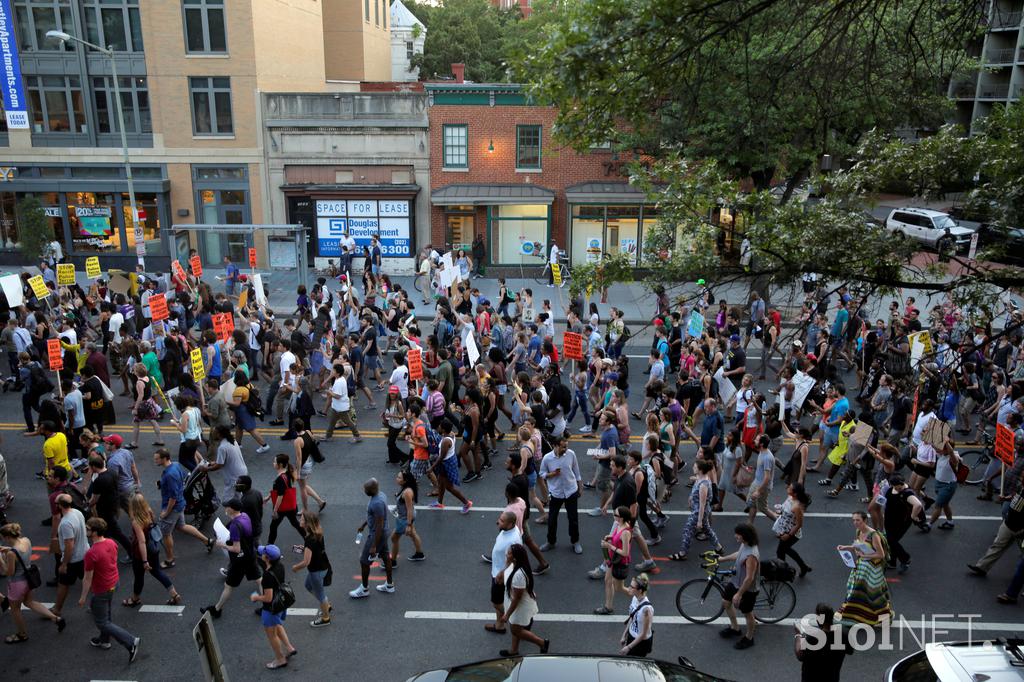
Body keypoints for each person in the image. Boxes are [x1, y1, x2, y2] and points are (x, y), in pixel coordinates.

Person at [78, 518, 140, 661]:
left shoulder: (91, 553)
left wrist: (82, 597)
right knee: (106, 613)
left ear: (94, 532)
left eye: (88, 529)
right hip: (114, 583)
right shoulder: (112, 543)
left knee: (101, 622)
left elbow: (87, 578)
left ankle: (131, 642)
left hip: (102, 589)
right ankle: (104, 640)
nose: (86, 531)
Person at [0, 522, 66, 643]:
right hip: (29, 580)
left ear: (8, 537)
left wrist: (0, 560)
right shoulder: (26, 540)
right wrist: (9, 549)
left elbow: (8, 572)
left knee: (15, 609)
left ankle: (22, 634)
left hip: (17, 584)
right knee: (30, 602)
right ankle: (56, 618)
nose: (3, 540)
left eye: (3, 538)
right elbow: (19, 551)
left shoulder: (11, 554)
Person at [201, 499, 262, 619]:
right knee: (259, 580)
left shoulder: (235, 526)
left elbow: (236, 549)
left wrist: (221, 544)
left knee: (228, 586)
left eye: (227, 506)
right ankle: (268, 606)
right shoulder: (245, 516)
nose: (225, 508)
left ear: (232, 509)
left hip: (239, 561)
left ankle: (217, 609)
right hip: (250, 555)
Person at [154, 448, 214, 568]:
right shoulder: (175, 465)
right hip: (181, 503)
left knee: (166, 534)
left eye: (157, 459)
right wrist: (163, 484)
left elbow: (172, 498)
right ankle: (208, 541)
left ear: (164, 458)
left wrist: (166, 513)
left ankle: (170, 560)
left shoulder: (170, 475)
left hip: (173, 507)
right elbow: (180, 481)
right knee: (182, 526)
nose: (155, 460)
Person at [123, 493, 181, 607]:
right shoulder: (148, 512)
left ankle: (135, 599)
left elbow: (141, 542)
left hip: (141, 553)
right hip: (153, 548)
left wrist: (144, 561)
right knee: (157, 572)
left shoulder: (136, 521)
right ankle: (174, 594)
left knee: (139, 577)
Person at [837, 511, 893, 627]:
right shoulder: (858, 531)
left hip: (872, 570)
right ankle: (853, 616)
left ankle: (881, 617)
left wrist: (865, 556)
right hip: (861, 567)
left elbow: (881, 555)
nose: (855, 523)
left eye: (858, 520)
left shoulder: (874, 535)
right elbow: (858, 546)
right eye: (854, 520)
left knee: (873, 595)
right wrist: (846, 547)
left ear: (865, 520)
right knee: (854, 590)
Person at [251, 544, 297, 669]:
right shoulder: (280, 566)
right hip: (281, 604)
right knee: (278, 625)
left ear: (267, 558)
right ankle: (289, 647)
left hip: (271, 609)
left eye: (263, 554)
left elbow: (268, 598)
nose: (261, 555)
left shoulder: (267, 576)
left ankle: (280, 659)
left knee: (272, 635)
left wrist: (256, 598)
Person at [498, 543, 549, 656]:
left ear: (515, 557)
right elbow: (506, 572)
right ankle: (514, 650)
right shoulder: (514, 565)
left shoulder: (518, 575)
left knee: (515, 630)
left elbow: (517, 598)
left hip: (520, 607)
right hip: (517, 603)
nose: (507, 554)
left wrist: (507, 614)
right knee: (515, 626)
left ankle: (541, 643)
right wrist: (502, 571)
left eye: (509, 553)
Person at [668, 459, 722, 561]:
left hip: (698, 512)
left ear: (700, 470)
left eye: (695, 467)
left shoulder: (703, 485)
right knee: (707, 529)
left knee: (687, 530)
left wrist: (699, 521)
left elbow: (702, 505)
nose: (693, 468)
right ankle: (719, 547)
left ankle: (683, 553)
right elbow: (697, 482)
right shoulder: (701, 478)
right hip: (698, 509)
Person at [718, 523, 760, 650]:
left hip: (747, 588)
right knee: (726, 602)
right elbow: (738, 554)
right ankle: (735, 628)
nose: (735, 536)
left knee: (748, 613)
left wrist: (739, 594)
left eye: (738, 534)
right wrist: (722, 559)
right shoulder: (745, 544)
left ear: (745, 536)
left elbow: (749, 578)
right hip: (735, 582)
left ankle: (749, 637)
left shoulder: (752, 555)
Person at [350, 478, 394, 598]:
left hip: (377, 534)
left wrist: (374, 545)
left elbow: (379, 524)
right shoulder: (381, 495)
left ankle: (364, 589)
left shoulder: (376, 503)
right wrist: (364, 525)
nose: (364, 490)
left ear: (372, 490)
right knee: (385, 556)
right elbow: (374, 516)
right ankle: (389, 585)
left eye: (366, 489)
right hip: (382, 532)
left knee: (364, 561)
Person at [538, 435, 583, 554]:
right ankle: (550, 542)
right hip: (556, 492)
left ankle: (575, 541)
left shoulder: (571, 454)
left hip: (571, 490)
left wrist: (580, 486)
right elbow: (542, 473)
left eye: (567, 446)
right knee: (552, 519)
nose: (566, 449)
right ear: (555, 446)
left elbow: (576, 470)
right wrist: (551, 474)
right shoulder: (547, 458)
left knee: (573, 519)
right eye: (563, 447)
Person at [293, 509, 332, 627]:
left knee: (321, 595)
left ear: (308, 523)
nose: (300, 520)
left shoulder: (310, 540)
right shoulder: (317, 533)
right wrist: (304, 549)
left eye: (303, 519)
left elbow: (306, 562)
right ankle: (326, 605)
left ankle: (325, 618)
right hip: (322, 567)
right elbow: (315, 551)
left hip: (317, 571)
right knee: (308, 586)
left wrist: (296, 567)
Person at [795, 603, 852, 682]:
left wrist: (799, 635)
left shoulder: (813, 638)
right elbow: (850, 651)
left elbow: (800, 655)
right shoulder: (844, 634)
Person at [52, 492, 89, 616]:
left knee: (63, 585)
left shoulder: (65, 523)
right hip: (85, 553)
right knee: (89, 581)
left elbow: (69, 545)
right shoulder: (77, 513)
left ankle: (57, 609)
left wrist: (64, 564)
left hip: (73, 560)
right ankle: (97, 606)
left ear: (59, 506)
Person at [486, 511, 522, 634]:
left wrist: (502, 573)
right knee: (500, 599)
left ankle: (512, 618)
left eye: (502, 521)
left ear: (510, 524)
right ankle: (499, 625)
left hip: (500, 575)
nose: (498, 522)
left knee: (496, 603)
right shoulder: (509, 529)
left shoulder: (514, 540)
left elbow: (516, 561)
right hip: (497, 570)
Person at [594, 506, 633, 615]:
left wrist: (609, 546)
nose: (613, 515)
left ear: (622, 518)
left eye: (616, 515)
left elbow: (625, 553)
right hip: (613, 559)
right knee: (607, 581)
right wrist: (611, 536)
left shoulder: (626, 532)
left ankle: (638, 596)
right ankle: (608, 607)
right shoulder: (619, 524)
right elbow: (617, 537)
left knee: (618, 587)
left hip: (619, 561)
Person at [774, 482, 812, 577]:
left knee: (781, 551)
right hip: (784, 529)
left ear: (795, 493)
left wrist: (788, 535)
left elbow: (799, 524)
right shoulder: (790, 498)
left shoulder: (796, 507)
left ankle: (783, 572)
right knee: (784, 550)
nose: (787, 488)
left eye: (790, 488)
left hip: (791, 532)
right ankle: (802, 567)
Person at [267, 454, 305, 545]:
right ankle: (308, 540)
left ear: (279, 464)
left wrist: (275, 510)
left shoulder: (280, 478)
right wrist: (268, 497)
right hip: (291, 506)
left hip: (282, 508)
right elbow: (280, 490)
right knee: (295, 523)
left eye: (275, 462)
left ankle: (269, 546)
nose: (273, 463)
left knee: (273, 526)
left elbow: (280, 495)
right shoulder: (286, 473)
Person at [390, 469, 425, 563]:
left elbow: (409, 509)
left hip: (404, 518)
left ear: (405, 481)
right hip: (407, 516)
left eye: (399, 477)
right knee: (413, 534)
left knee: (394, 538)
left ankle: (393, 561)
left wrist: (408, 525)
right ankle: (419, 554)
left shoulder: (407, 493)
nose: (396, 478)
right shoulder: (405, 488)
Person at [292, 418, 327, 512]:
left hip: (303, 465)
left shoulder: (297, 441)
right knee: (304, 485)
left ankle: (305, 509)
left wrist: (297, 472)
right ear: (303, 426)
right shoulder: (308, 432)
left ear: (294, 428)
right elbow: (313, 442)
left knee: (302, 488)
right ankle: (320, 501)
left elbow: (299, 458)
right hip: (310, 461)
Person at [621, 573, 654, 657]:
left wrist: (628, 647)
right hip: (632, 637)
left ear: (639, 590)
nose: (629, 588)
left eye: (632, 587)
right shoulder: (635, 598)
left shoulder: (646, 610)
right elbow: (632, 617)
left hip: (640, 643)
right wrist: (624, 635)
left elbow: (643, 634)